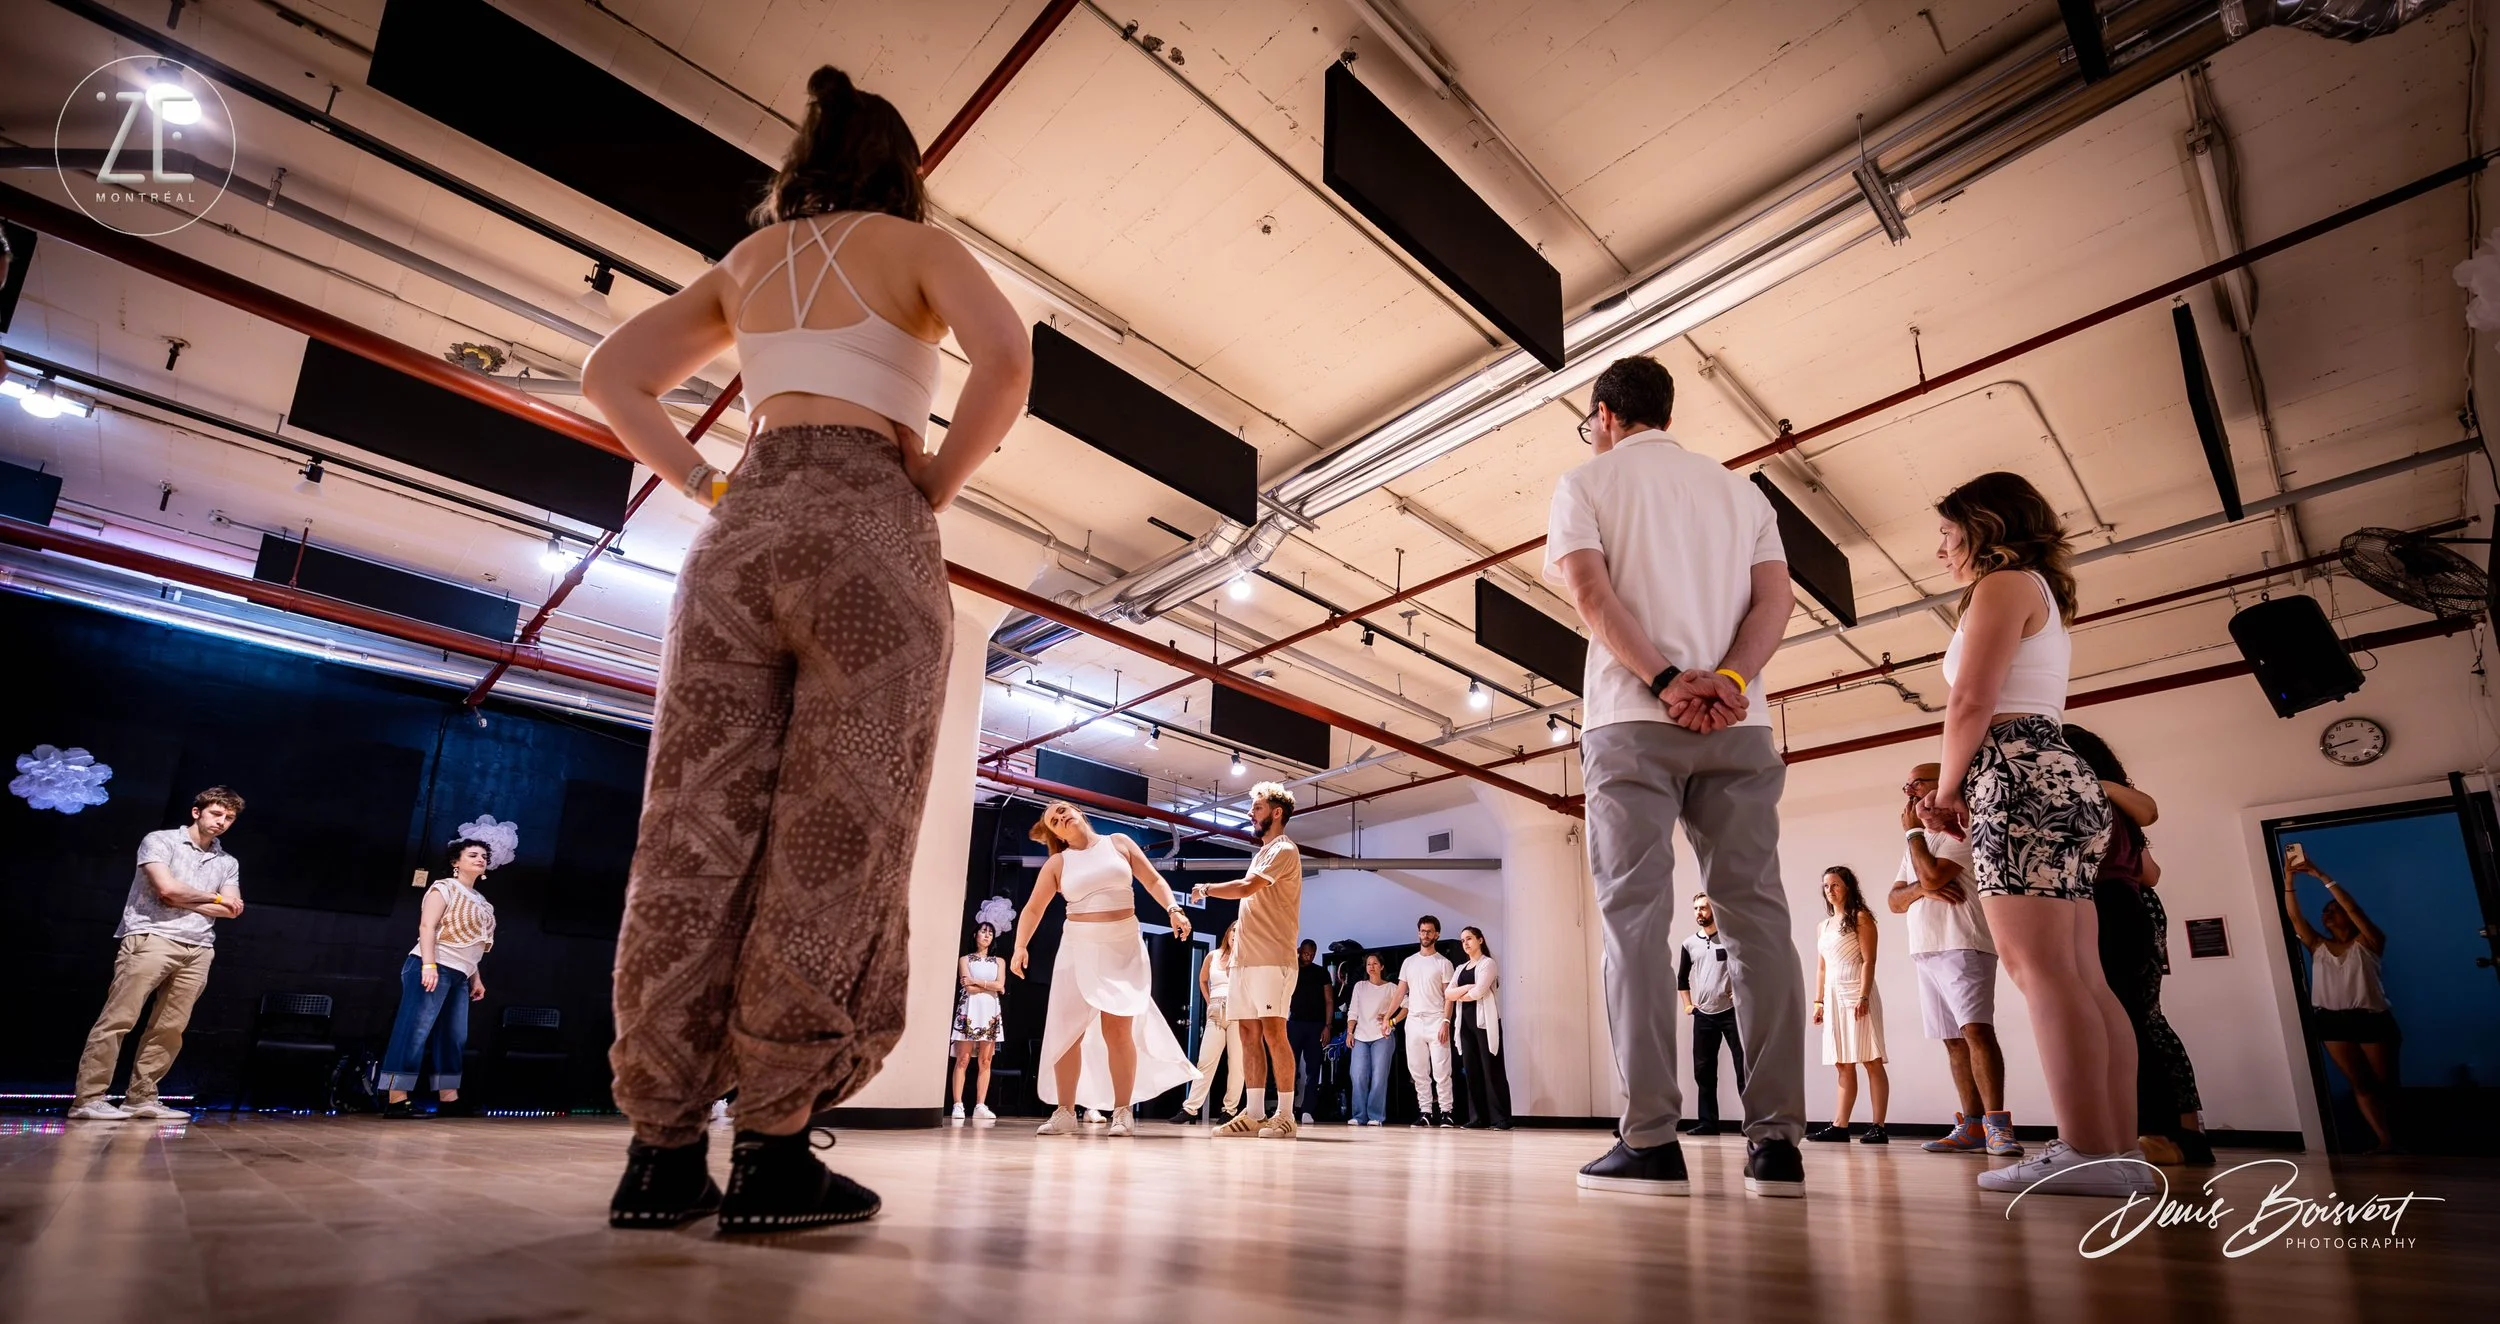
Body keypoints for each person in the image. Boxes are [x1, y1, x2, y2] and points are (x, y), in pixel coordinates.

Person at [588, 65, 1032, 1234]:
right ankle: (774, 1146)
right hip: (869, 528)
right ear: (900, 169)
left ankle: (659, 1152)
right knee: (837, 833)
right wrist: (934, 481)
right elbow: (1008, 359)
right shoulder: (917, 248)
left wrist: (704, 481)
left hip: (743, 531)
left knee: (690, 829)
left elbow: (610, 376)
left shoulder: (746, 265)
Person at [1547, 355, 1804, 1198]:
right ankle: (1777, 1144)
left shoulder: (1586, 483)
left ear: (1604, 415)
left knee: (1635, 925)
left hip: (1631, 720)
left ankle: (1651, 1138)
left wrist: (1664, 681)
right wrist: (1727, 680)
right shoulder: (1743, 494)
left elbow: (1592, 597)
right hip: (1739, 724)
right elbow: (1775, 602)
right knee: (1758, 922)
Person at [1921, 471, 2146, 1198]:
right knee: (2082, 975)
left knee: (2040, 971)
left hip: (2015, 773)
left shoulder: (2003, 585)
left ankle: (2086, 1149)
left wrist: (1947, 791)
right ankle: (2118, 1150)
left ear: (1984, 527)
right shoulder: (2038, 590)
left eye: (1948, 534)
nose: (1941, 551)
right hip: (2059, 774)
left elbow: (1971, 700)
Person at [2064, 726, 2212, 1167]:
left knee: (2130, 1022)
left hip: (2113, 906)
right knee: (2126, 1023)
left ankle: (2160, 1133)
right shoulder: (2091, 801)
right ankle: (2150, 1132)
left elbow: (2149, 822)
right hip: (2111, 907)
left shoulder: (2103, 797)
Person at [1012, 802, 1198, 1137]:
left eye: (1063, 810)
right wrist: (1019, 946)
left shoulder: (1119, 843)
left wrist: (1173, 909)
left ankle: (1123, 1112)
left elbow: (1153, 880)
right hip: (1077, 946)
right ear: (1056, 834)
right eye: (1054, 820)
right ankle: (1065, 1111)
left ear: (1078, 812)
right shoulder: (1058, 863)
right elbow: (1033, 908)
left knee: (1118, 1030)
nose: (1061, 817)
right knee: (1068, 1030)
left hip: (1122, 944)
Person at [68, 787, 247, 1122]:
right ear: (197, 812)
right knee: (119, 1019)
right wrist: (214, 898)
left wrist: (197, 899)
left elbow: (232, 909)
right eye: (216, 813)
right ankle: (88, 1099)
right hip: (151, 937)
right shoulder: (160, 840)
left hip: (198, 947)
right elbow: (167, 889)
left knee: (170, 1027)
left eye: (229, 817)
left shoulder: (227, 861)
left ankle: (141, 1097)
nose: (222, 822)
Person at [1889, 762, 2019, 1158]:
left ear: (1944, 785)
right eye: (1906, 786)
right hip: (1925, 948)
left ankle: (1998, 1127)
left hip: (1963, 942)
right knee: (1952, 1040)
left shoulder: (1964, 828)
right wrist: (1922, 889)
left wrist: (1914, 838)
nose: (1909, 792)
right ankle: (1972, 1126)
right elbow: (1894, 901)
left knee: (1976, 1031)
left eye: (1916, 783)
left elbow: (1929, 877)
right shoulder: (1918, 844)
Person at [1190, 782, 1305, 1139]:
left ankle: (1285, 1115)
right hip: (1244, 960)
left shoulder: (1283, 849)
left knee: (1273, 1032)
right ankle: (1254, 1113)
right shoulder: (1262, 852)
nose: (1251, 813)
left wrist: (1206, 889)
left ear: (1276, 812)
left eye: (1257, 808)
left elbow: (1245, 888)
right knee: (1247, 1033)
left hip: (1272, 958)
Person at [2282, 845, 2401, 1154]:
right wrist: (2289, 879)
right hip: (2332, 1020)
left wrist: (2321, 876)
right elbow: (2294, 917)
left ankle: (2399, 1138)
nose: (2328, 913)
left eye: (2333, 909)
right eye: (2325, 911)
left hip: (2371, 1019)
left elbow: (2355, 910)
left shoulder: (2369, 941)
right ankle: (2383, 1141)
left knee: (2384, 1083)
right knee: (2360, 1082)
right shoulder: (2317, 945)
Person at [379, 838, 498, 1118]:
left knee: (453, 1036)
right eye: (473, 855)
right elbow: (427, 926)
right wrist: (429, 965)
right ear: (456, 862)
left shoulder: (483, 903)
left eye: (483, 856)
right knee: (414, 1031)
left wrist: (475, 977)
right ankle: (396, 1099)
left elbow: (474, 943)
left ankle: (449, 1099)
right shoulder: (443, 887)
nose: (480, 859)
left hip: (461, 974)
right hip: (433, 965)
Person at [1808, 868, 1889, 1144]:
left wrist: (1863, 996)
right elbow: (1821, 968)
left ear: (1848, 887)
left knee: (1871, 1060)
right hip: (1833, 997)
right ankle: (1840, 1126)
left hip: (1856, 993)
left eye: (1835, 885)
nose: (1830, 890)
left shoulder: (1861, 918)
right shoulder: (1823, 926)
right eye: (1826, 886)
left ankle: (1878, 1126)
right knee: (1842, 1063)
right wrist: (1818, 1001)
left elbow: (1869, 960)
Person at [1677, 893, 1744, 1135]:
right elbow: (1682, 979)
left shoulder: (1731, 940)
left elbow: (1746, 971)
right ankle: (1708, 1123)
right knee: (1703, 1071)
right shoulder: (1689, 944)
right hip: (1704, 1015)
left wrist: (1741, 992)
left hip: (1731, 1014)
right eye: (1696, 908)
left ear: (1714, 910)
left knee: (1743, 1068)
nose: (1699, 912)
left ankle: (1753, 1122)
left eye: (1704, 908)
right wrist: (1688, 1005)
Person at [1172, 922, 1246, 1124]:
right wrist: (1208, 1000)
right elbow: (1202, 979)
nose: (1235, 934)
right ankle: (1191, 1108)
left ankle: (1230, 1109)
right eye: (1233, 930)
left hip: (1237, 1012)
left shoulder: (1245, 958)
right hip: (1216, 1012)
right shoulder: (1213, 955)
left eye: (1240, 931)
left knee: (1237, 1064)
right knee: (1205, 1061)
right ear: (1228, 932)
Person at [1389, 916, 1457, 1127]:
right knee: (1418, 1070)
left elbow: (1449, 996)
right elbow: (1400, 993)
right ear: (1418, 933)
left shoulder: (1444, 963)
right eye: (1422, 931)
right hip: (1414, 1021)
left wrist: (1446, 1021)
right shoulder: (1409, 962)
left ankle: (1446, 1111)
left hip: (1436, 1019)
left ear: (1437, 934)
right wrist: (1388, 1017)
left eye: (1429, 931)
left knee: (1441, 1070)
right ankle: (1425, 1111)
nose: (1425, 935)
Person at [1446, 926, 1511, 1130]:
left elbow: (1479, 992)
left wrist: (1461, 993)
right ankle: (1478, 1118)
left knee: (1492, 1069)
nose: (1465, 943)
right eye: (1463, 940)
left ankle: (1501, 1118)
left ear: (1480, 940)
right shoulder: (1460, 968)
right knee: (1471, 1071)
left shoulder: (1488, 963)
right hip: (1465, 1025)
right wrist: (1467, 988)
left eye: (1469, 938)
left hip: (1484, 1024)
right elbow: (1448, 994)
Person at [949, 922, 1005, 1123]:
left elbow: (1001, 985)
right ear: (975, 935)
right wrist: (990, 986)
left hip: (990, 1012)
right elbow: (968, 986)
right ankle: (958, 1104)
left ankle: (980, 1105)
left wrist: (978, 982)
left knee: (985, 1061)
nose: (987, 935)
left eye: (990, 932)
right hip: (969, 1010)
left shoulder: (999, 961)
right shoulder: (965, 960)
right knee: (963, 1059)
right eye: (983, 931)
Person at [1345, 953, 1398, 1126]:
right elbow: (1353, 1011)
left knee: (1379, 1076)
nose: (1372, 967)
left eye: (1375, 963)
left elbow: (1406, 1005)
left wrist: (1391, 1020)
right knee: (1357, 1074)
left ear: (1381, 967)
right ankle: (1359, 1115)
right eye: (1369, 964)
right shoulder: (1360, 986)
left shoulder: (1391, 987)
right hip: (1360, 1036)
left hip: (1382, 1036)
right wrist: (1350, 1032)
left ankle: (1375, 1116)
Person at [1286, 938, 1330, 1124]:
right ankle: (1286, 1109)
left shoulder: (1321, 972)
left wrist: (1328, 1026)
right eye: (1305, 953)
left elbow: (1329, 1000)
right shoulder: (1291, 969)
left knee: (1314, 1068)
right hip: (1294, 1024)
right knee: (1290, 1067)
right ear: (1299, 951)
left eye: (1312, 954)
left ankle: (1307, 1110)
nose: (1309, 957)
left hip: (1316, 1026)